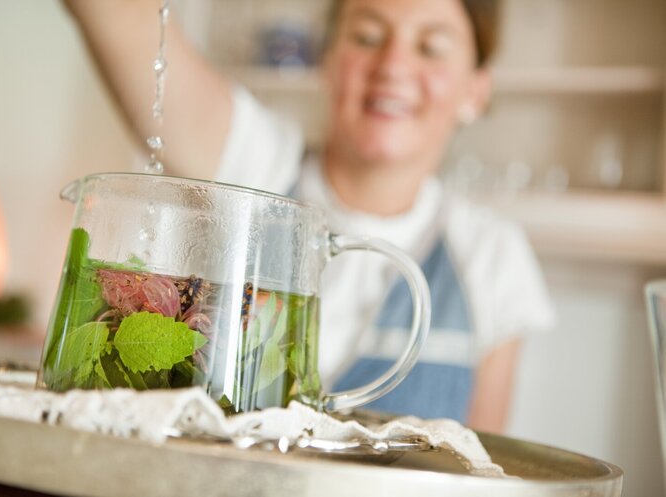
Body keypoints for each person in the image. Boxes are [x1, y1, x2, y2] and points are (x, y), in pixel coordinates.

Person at [63, 0, 554, 433]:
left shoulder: (492, 254)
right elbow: (116, 12)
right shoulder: (253, 162)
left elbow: (475, 465)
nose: (394, 64)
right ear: (328, 58)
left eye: (431, 47)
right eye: (367, 36)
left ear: (476, 90)